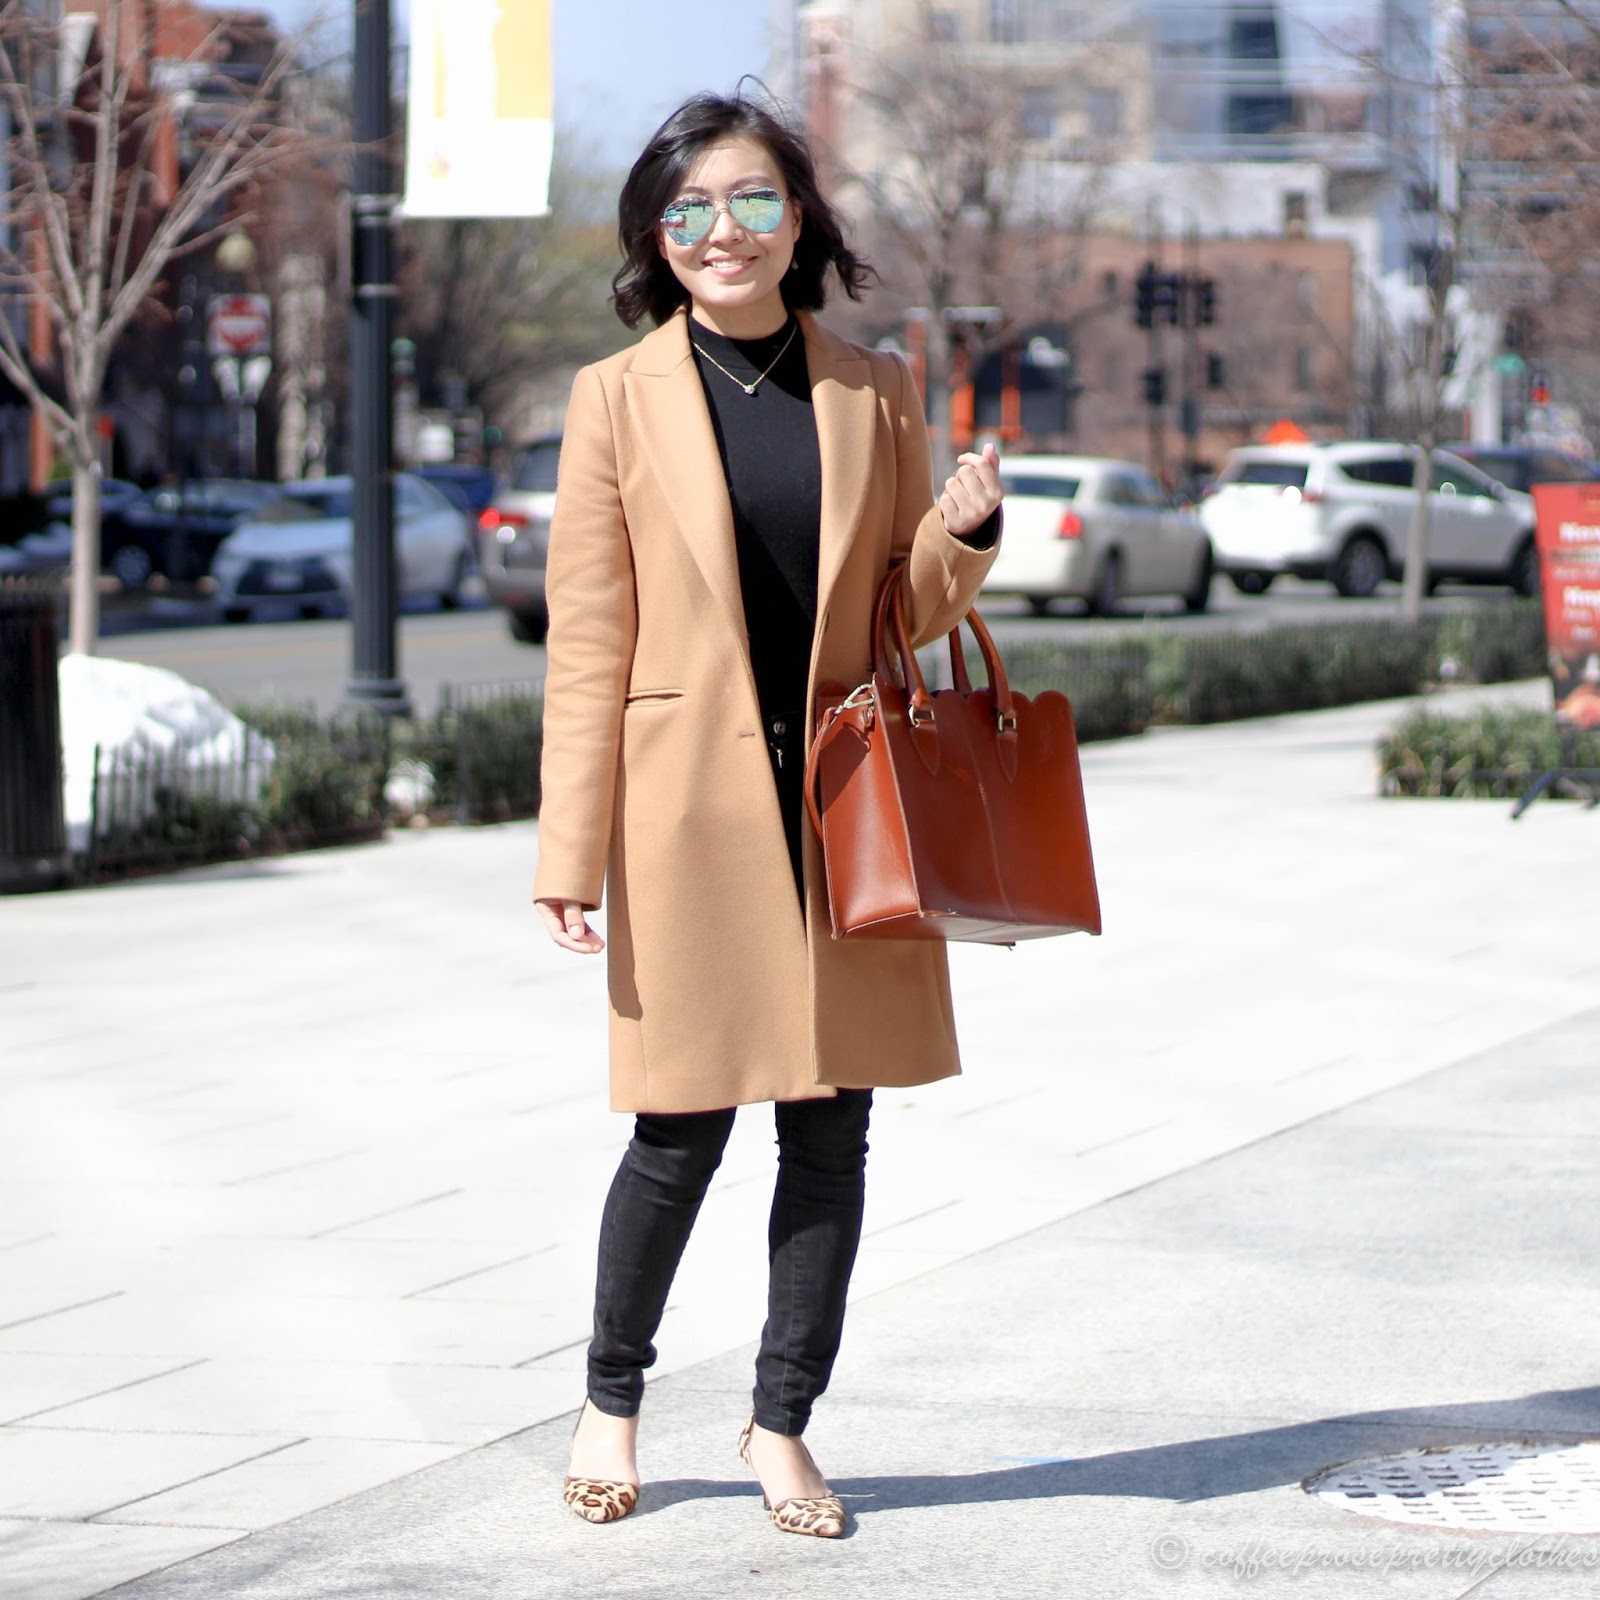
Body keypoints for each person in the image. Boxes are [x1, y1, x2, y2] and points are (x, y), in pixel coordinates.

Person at [533, 89, 1003, 1539]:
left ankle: (781, 1423)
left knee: (830, 1132)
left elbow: (903, 614)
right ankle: (610, 1401)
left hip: (848, 805)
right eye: (687, 209)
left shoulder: (874, 387)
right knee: (676, 1129)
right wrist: (568, 849)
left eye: (749, 200)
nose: (720, 230)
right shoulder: (616, 398)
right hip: (685, 812)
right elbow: (588, 640)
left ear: (798, 220)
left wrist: (965, 537)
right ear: (655, 239)